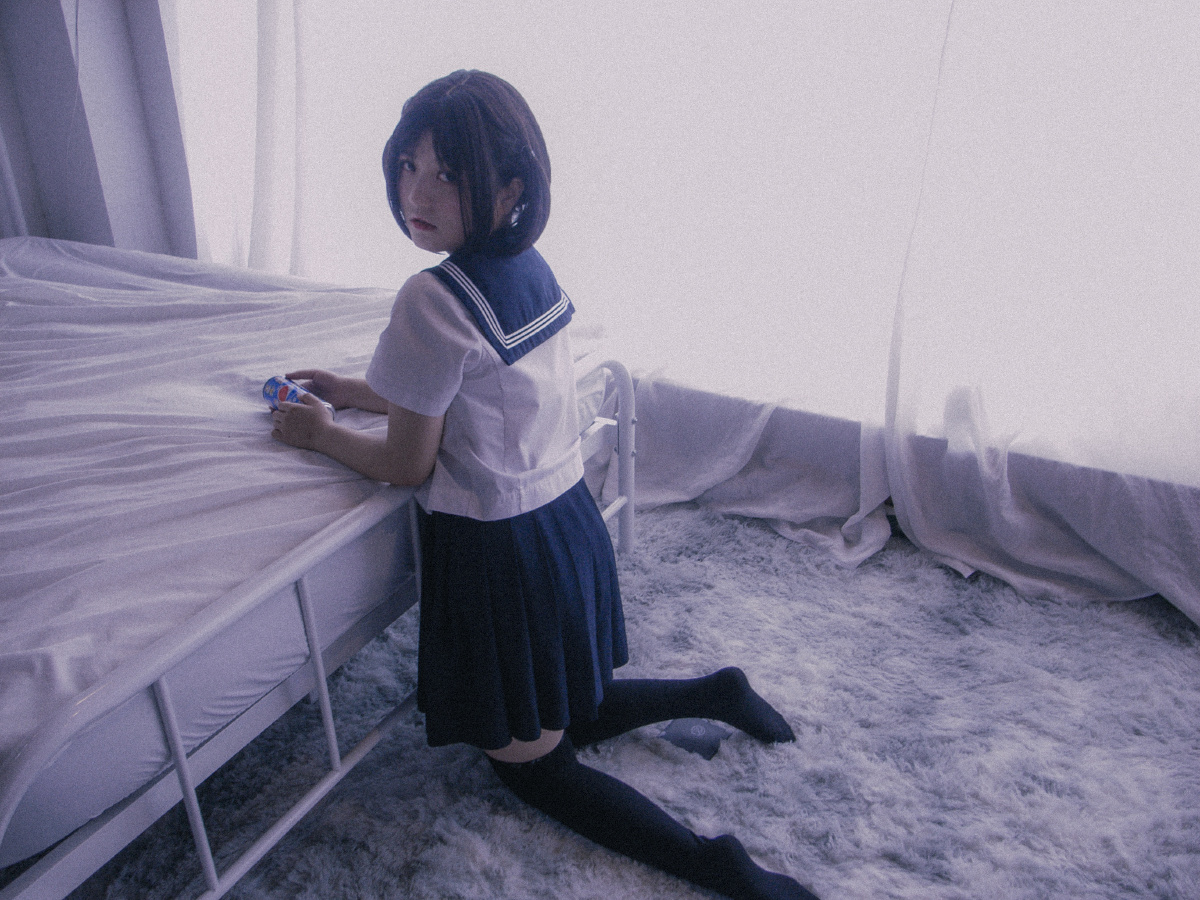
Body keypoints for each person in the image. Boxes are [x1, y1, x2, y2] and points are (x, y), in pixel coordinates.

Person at [271, 69, 820, 900]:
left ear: (510, 187)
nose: (417, 192)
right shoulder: (528, 268)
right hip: (566, 525)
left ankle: (719, 866)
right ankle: (717, 691)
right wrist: (356, 391)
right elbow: (475, 390)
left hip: (500, 554)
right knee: (560, 706)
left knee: (533, 764)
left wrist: (321, 433)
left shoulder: (429, 298)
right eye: (409, 165)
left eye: (447, 174)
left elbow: (407, 464)